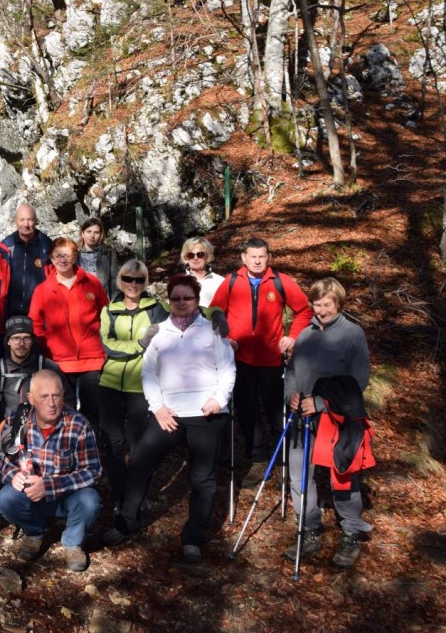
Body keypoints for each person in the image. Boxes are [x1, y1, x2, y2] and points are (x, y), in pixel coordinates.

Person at [103, 274, 236, 564]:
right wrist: (158, 407)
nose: (181, 303)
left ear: (196, 300)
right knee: (139, 463)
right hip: (168, 414)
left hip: (206, 414)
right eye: (175, 298)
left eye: (187, 298)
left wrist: (218, 400)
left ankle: (193, 539)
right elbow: (148, 372)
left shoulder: (212, 330)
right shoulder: (159, 332)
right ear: (169, 300)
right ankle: (127, 522)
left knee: (203, 479)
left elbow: (228, 368)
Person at [282, 277, 373, 569]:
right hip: (302, 417)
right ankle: (308, 529)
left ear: (339, 304)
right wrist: (292, 397)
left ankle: (350, 532)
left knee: (342, 475)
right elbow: (292, 371)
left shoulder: (352, 334)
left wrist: (321, 403)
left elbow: (359, 380)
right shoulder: (305, 335)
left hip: (337, 417)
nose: (321, 310)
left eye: (327, 305)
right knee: (299, 475)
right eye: (317, 304)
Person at [209, 238, 313, 487]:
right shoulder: (231, 282)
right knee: (247, 411)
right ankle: (258, 459)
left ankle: (282, 462)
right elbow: (213, 312)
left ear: (269, 257)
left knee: (277, 412)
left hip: (272, 360)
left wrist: (293, 337)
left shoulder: (280, 281)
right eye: (252, 256)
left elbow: (304, 310)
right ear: (243, 257)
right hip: (240, 360)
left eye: (262, 256)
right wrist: (226, 338)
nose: (257, 260)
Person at [0, 370, 103, 572]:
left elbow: (93, 471)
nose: (51, 403)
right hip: (30, 495)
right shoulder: (18, 419)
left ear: (63, 395)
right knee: (5, 499)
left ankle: (72, 542)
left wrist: (50, 486)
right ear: (31, 398)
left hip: (66, 496)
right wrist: (12, 474)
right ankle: (35, 532)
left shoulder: (78, 424)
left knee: (90, 500)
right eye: (44, 396)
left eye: (56, 396)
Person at [97, 260, 164, 508]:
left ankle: (138, 496)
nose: (133, 284)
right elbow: (107, 344)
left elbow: (189, 309)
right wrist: (140, 345)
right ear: (120, 281)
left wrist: (217, 314)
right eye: (128, 278)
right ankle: (118, 493)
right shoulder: (109, 310)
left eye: (138, 279)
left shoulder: (158, 309)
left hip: (142, 386)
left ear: (145, 282)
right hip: (110, 385)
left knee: (140, 446)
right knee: (113, 444)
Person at [28, 237, 109, 428]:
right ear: (51, 258)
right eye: (57, 256)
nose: (62, 260)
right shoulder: (43, 290)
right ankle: (68, 454)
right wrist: (46, 351)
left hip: (92, 359)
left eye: (67, 255)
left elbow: (105, 315)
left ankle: (91, 450)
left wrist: (103, 344)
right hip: (59, 361)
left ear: (75, 256)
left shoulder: (92, 283)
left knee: (93, 412)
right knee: (64, 411)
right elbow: (35, 324)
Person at [0, 315, 71, 444]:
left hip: (43, 433)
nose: (21, 344)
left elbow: (67, 401)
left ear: (32, 341)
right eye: (16, 338)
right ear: (8, 341)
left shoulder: (47, 366)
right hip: (5, 433)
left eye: (26, 338)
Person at [0, 203, 53, 340]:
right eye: (22, 220)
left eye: (30, 219)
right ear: (15, 221)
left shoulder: (48, 248)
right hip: (10, 315)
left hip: (40, 316)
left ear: (36, 221)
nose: (26, 224)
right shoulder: (6, 249)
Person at [77, 217, 119, 298]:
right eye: (89, 231)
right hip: (81, 299)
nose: (92, 235)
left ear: (101, 235)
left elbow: (114, 280)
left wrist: (114, 304)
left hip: (102, 298)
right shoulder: (75, 254)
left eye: (96, 232)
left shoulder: (108, 253)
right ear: (83, 233)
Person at [182, 236, 225, 307]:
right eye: (190, 255)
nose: (195, 258)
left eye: (200, 254)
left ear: (208, 256)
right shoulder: (178, 284)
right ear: (186, 258)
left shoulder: (221, 282)